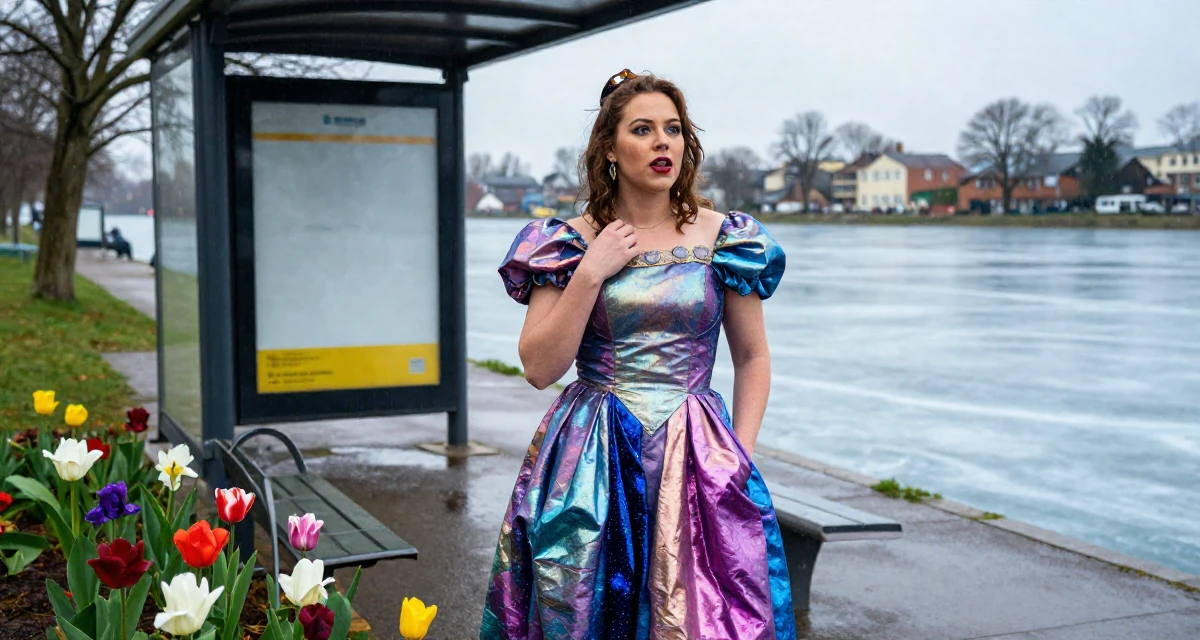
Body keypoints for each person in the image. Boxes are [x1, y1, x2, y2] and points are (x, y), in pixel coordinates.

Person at [481, 70, 795, 640]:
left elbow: (752, 356)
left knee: (705, 615)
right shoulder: (568, 243)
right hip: (591, 457)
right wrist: (591, 272)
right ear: (609, 148)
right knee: (580, 609)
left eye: (673, 129)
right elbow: (539, 368)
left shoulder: (727, 238)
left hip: (699, 454)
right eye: (643, 129)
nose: (662, 143)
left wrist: (740, 460)